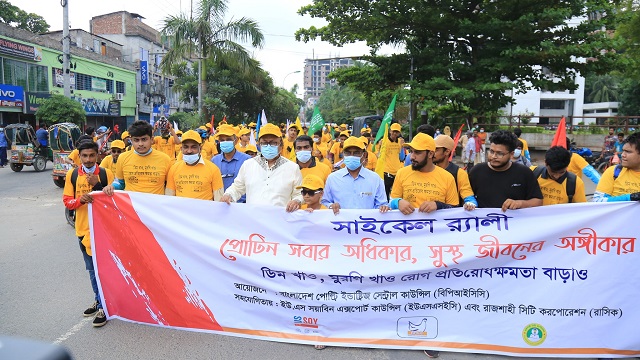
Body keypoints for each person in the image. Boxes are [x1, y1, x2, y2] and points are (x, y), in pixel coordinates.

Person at [62, 140, 114, 327]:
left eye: (92, 155)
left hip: (104, 230)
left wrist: (98, 185)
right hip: (83, 230)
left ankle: (103, 306)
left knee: (103, 269)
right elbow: (67, 202)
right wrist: (80, 200)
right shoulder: (73, 174)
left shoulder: (107, 174)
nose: (89, 159)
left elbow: (114, 203)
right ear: (79, 156)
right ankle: (99, 300)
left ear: (98, 155)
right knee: (92, 269)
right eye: (84, 156)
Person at [220, 123, 303, 211]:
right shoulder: (248, 165)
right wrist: (228, 195)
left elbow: (299, 194)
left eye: (273, 143)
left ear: (281, 144)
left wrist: (297, 201)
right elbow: (237, 187)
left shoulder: (292, 168)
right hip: (253, 220)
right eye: (264, 143)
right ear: (259, 145)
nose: (268, 146)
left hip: (279, 221)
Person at [468, 130, 543, 211]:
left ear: (511, 154)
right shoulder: (476, 171)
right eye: (491, 151)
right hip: (483, 222)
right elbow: (466, 197)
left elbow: (538, 201)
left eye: (500, 153)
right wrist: (469, 204)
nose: (494, 156)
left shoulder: (524, 173)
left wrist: (520, 203)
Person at [389, 133, 459, 214]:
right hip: (408, 226)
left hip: (435, 226)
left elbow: (455, 210)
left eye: (417, 152)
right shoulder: (402, 173)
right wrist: (398, 202)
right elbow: (390, 203)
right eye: (411, 151)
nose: (412, 157)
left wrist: (437, 205)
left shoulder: (447, 178)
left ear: (430, 154)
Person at [322, 136, 389, 214]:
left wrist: (383, 207)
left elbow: (381, 205)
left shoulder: (375, 179)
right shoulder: (333, 178)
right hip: (341, 224)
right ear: (343, 155)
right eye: (348, 153)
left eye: (356, 153)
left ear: (364, 155)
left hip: (366, 224)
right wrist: (331, 206)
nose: (352, 156)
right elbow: (324, 202)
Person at [103, 121, 172, 195]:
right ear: (131, 140)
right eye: (136, 140)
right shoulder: (122, 158)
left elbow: (170, 187)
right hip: (131, 205)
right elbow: (120, 183)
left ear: (152, 139)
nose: (140, 144)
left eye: (144, 139)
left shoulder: (165, 159)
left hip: (155, 206)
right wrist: (111, 187)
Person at [166, 130, 224, 200]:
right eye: (186, 147)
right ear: (181, 149)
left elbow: (219, 199)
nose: (189, 151)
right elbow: (169, 197)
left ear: (200, 148)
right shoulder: (174, 169)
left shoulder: (213, 169)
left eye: (193, 147)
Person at [592, 132, 640, 202]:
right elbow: (597, 201)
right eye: (623, 151)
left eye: (628, 152)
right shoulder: (613, 171)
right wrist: (630, 197)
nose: (623, 155)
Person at [432, 135, 478, 209]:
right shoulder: (426, 170)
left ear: (447, 152)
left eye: (436, 150)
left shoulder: (459, 173)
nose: (432, 153)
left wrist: (470, 204)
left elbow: (468, 196)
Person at [212, 125, 252, 203]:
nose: (225, 142)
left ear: (236, 140)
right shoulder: (214, 161)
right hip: (221, 204)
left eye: (228, 139)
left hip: (242, 205)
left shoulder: (247, 160)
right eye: (222, 140)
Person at [380, 123, 405, 199]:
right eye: (393, 131)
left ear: (399, 133)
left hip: (397, 172)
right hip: (387, 172)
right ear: (390, 131)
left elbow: (402, 157)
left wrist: (402, 146)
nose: (394, 133)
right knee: (385, 193)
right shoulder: (384, 141)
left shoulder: (400, 142)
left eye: (397, 132)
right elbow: (380, 155)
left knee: (396, 194)